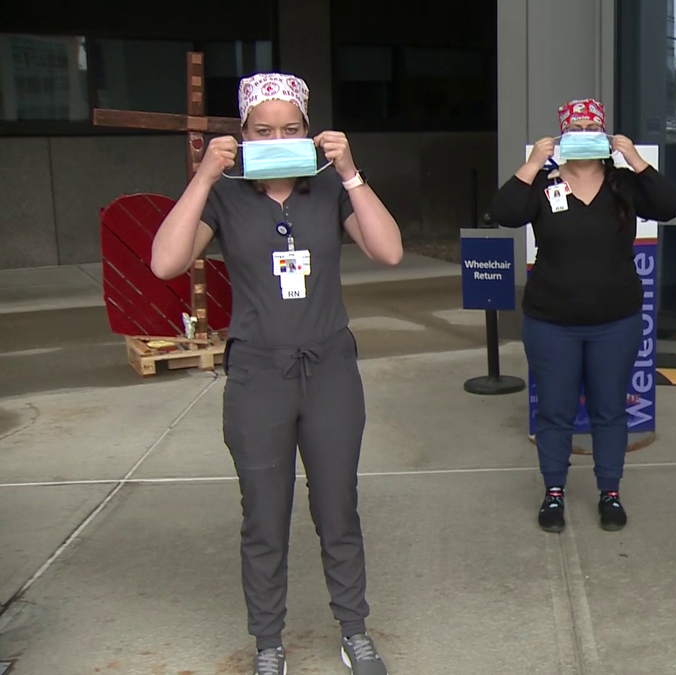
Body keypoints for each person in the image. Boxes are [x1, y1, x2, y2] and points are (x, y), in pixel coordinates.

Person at [150, 72, 403, 675]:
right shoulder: (227, 194)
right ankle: (268, 642)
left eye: (291, 127)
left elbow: (388, 250)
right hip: (259, 374)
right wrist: (205, 175)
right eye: (262, 129)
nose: (277, 137)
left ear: (310, 131)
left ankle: (354, 630)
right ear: (241, 133)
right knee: (264, 513)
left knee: (338, 507)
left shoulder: (328, 188)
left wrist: (350, 172)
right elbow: (165, 262)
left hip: (330, 368)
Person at [489, 98, 676, 533]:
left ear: (603, 136)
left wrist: (633, 157)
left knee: (609, 410)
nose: (582, 134)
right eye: (573, 128)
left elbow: (670, 206)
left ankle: (609, 492)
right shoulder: (542, 184)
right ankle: (553, 493)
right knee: (555, 412)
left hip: (615, 320)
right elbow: (503, 213)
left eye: (590, 127)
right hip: (550, 320)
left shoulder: (624, 185)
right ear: (562, 136)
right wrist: (533, 162)